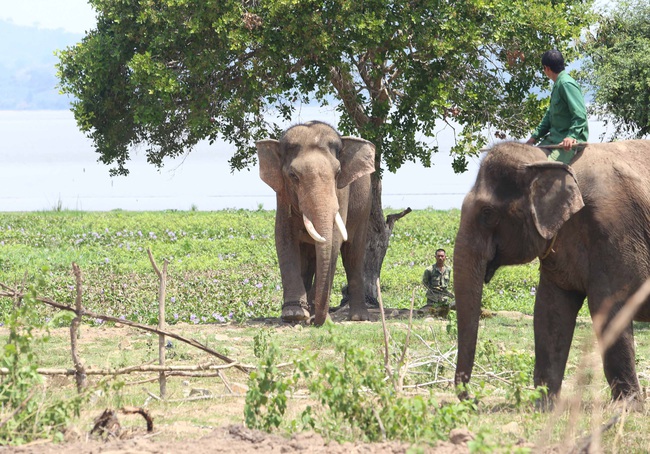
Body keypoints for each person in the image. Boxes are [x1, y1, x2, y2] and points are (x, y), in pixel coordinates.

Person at [526, 49, 588, 165]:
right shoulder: (557, 85)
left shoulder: (566, 84)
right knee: (529, 161)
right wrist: (534, 138)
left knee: (543, 171)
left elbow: (580, 115)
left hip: (570, 140)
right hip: (554, 138)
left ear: (547, 68)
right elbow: (549, 116)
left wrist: (571, 136)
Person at [420, 248, 453, 317]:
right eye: (438, 256)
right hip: (432, 297)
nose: (440, 258)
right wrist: (432, 290)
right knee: (430, 314)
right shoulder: (429, 270)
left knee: (443, 315)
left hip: (444, 297)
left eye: (442, 256)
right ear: (435, 257)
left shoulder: (448, 269)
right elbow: (424, 282)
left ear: (445, 257)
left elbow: (447, 282)